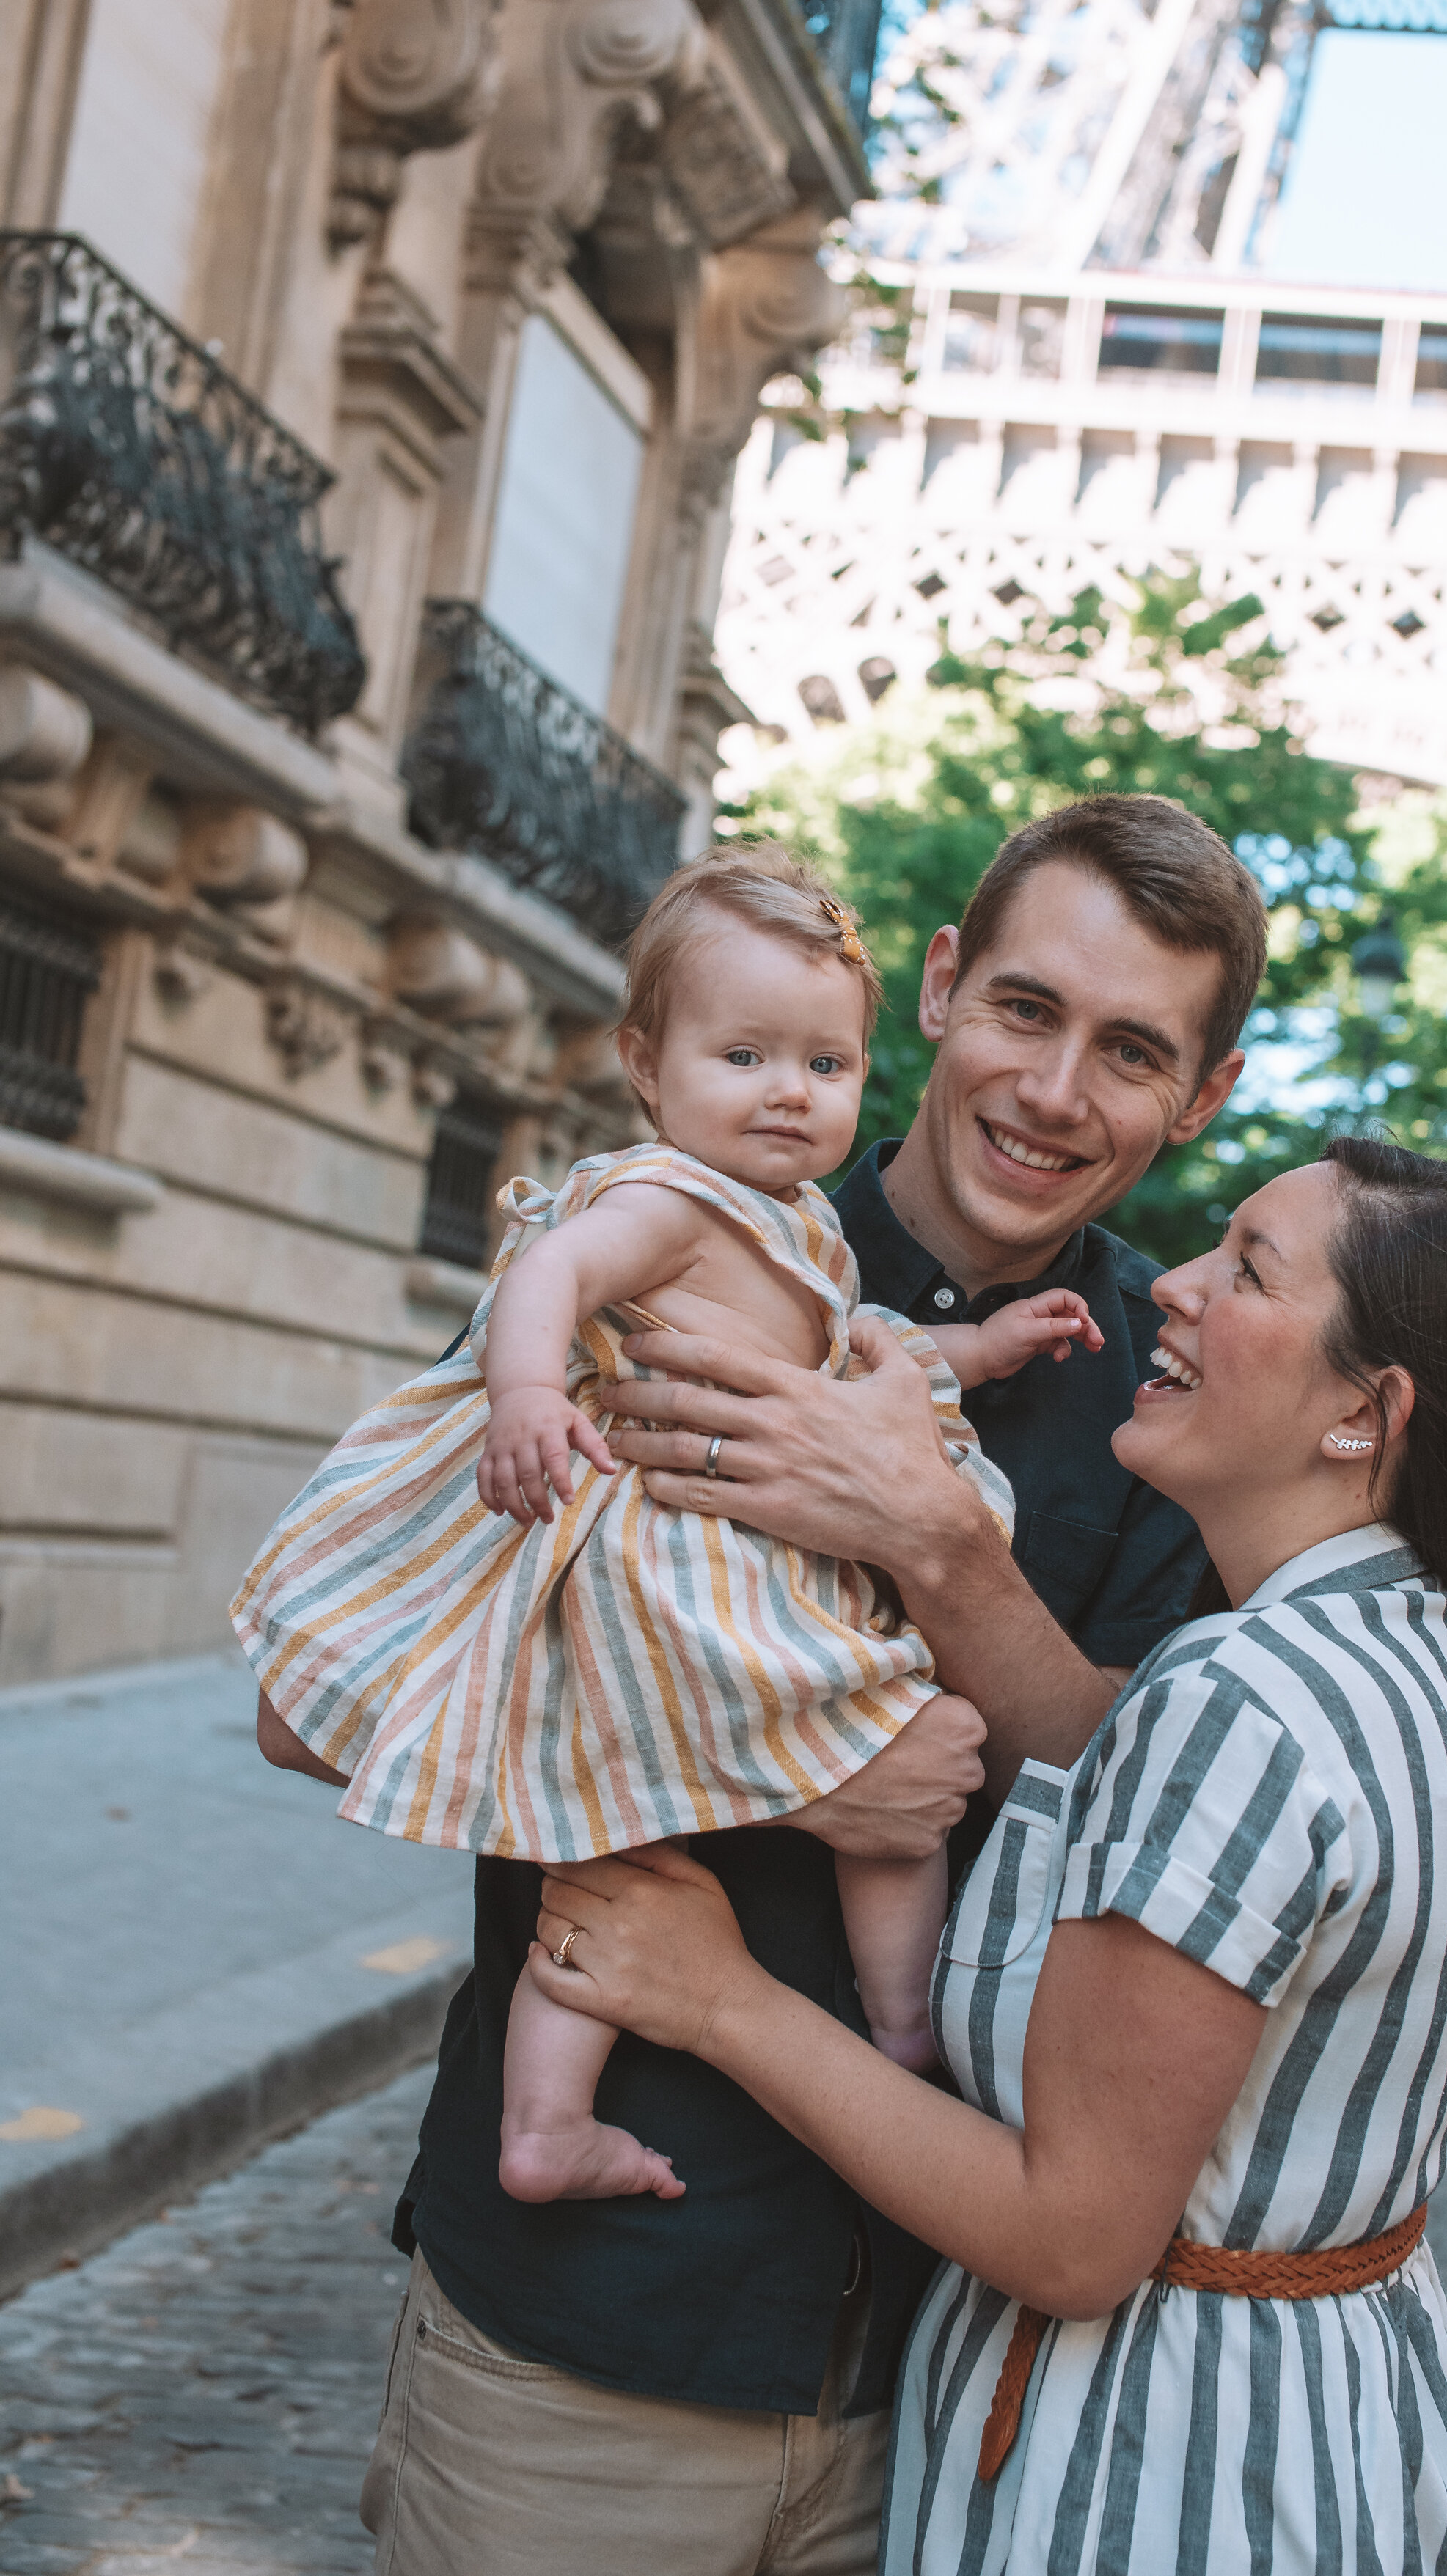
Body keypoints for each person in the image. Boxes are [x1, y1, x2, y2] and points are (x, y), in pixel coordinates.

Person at [266, 793, 1264, 2574]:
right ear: (945, 986)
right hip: (588, 2350)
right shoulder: (675, 1240)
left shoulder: (1171, 1391)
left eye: (1129, 1051)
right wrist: (792, 1776)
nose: (1052, 1091)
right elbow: (317, 1692)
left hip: (960, 2391)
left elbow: (1173, 1811)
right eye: (1026, 1009)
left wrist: (938, 1548)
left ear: (1199, 1095)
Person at [526, 1139, 1447, 2576]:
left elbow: (1071, 2239)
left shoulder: (1239, 1697)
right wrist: (931, 1541)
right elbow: (1121, 1761)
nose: (1175, 1285)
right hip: (1321, 2428)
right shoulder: (1398, 1661)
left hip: (1156, 2476)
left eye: (1246, 1267)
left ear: (1359, 1412)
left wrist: (718, 1995)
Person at [235, 843, 1086, 2198]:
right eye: (743, 1055)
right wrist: (525, 1391)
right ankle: (867, 2035)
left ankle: (697, 2082)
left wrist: (979, 1353)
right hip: (671, 1575)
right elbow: (553, 1272)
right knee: (832, 1791)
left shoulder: (799, 1224)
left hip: (732, 1587)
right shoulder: (663, 1195)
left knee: (677, 1850)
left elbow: (859, 1351)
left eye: (823, 1064)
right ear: (645, 1062)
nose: (789, 1093)